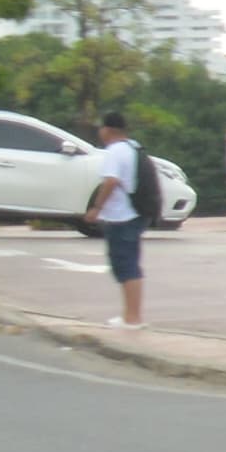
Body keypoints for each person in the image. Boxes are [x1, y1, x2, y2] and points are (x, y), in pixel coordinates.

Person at [86, 109, 147, 326]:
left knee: (125, 265)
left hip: (122, 217)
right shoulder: (134, 147)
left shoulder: (114, 151)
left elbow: (110, 182)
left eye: (101, 128)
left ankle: (132, 318)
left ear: (108, 129)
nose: (100, 132)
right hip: (136, 214)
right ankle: (131, 315)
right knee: (130, 264)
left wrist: (96, 207)